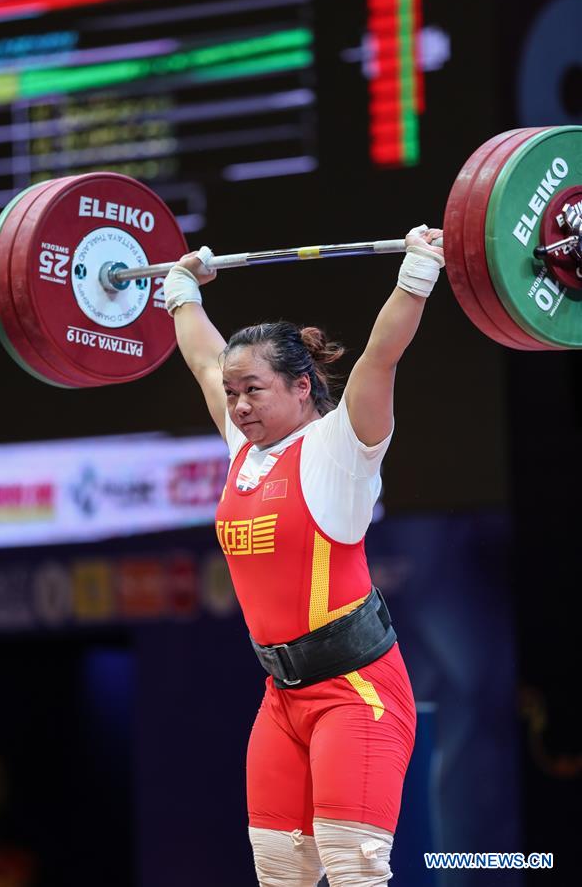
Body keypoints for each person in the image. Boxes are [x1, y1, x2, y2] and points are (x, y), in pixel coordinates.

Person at [163, 226, 444, 886]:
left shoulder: (340, 448)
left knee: (353, 870)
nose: (237, 405)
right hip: (282, 697)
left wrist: (415, 273)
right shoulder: (245, 445)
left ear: (299, 385)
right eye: (233, 394)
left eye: (252, 391)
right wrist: (179, 295)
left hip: (356, 692)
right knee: (278, 872)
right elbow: (206, 361)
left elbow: (379, 358)